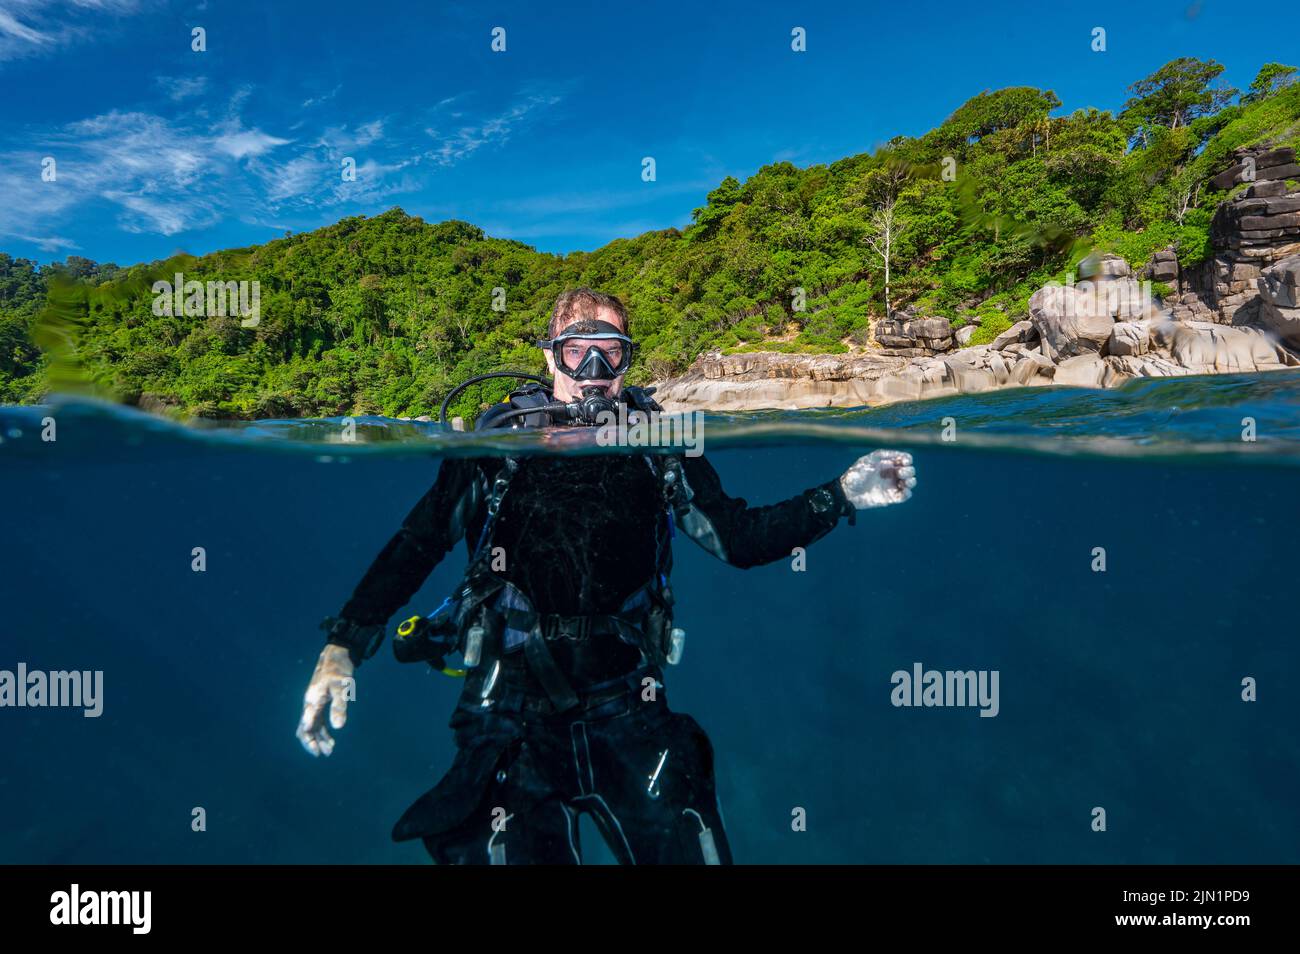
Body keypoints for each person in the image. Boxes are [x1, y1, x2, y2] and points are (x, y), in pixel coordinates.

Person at [297, 288, 917, 864]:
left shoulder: (660, 445)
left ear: (626, 362)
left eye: (610, 352)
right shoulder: (498, 445)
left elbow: (741, 540)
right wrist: (342, 647)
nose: (593, 370)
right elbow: (417, 544)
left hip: (629, 708)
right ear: (550, 359)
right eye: (577, 350)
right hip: (506, 714)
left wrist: (839, 495)